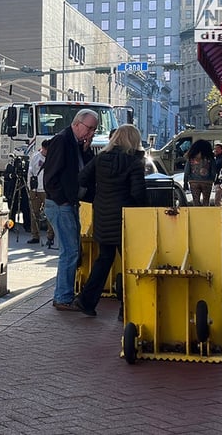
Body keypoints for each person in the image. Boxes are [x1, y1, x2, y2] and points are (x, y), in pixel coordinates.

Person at [73, 124, 147, 317]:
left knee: (104, 260)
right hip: (126, 219)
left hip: (103, 217)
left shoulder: (100, 158)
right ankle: (126, 308)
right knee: (129, 263)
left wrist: (97, 194)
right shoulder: (134, 163)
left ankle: (86, 301)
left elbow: (81, 178)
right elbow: (138, 193)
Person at [43, 109, 98, 311]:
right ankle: (63, 296)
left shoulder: (75, 143)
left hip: (67, 202)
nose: (91, 133)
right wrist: (63, 201)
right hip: (61, 204)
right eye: (90, 128)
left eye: (94, 129)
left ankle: (64, 294)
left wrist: (85, 150)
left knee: (72, 250)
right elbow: (51, 177)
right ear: (77, 124)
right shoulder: (62, 141)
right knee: (70, 251)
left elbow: (84, 171)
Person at [27, 139, 55, 246]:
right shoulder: (35, 157)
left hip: (47, 189)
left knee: (49, 214)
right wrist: (31, 188)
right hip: (36, 188)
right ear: (42, 148)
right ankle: (35, 235)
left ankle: (50, 236)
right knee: (34, 213)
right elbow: (30, 173)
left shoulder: (52, 158)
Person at [182, 139, 215, 206]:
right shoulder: (210, 157)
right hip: (207, 182)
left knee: (196, 201)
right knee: (206, 201)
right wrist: (213, 179)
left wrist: (185, 182)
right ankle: (205, 214)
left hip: (194, 182)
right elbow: (214, 171)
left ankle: (197, 214)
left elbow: (187, 171)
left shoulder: (191, 158)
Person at [212, 143, 222, 208]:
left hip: (221, 181)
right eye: (215, 148)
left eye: (217, 148)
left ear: (221, 149)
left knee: (217, 199)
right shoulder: (216, 158)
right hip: (217, 180)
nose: (215, 150)